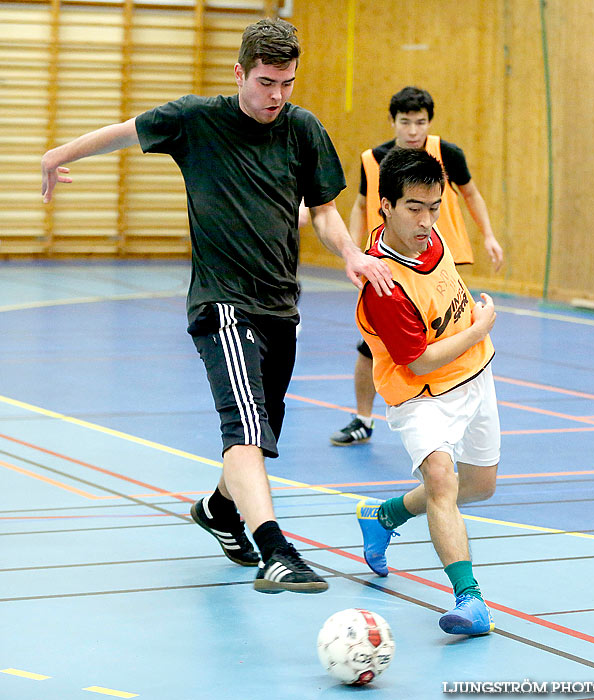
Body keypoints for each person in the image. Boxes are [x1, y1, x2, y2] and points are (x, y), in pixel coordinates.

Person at [41, 18, 393, 595]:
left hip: (280, 305)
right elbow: (124, 131)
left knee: (264, 432)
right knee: (245, 432)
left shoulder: (301, 129)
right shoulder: (196, 120)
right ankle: (275, 551)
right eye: (264, 82)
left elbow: (324, 212)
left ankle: (217, 510)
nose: (276, 96)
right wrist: (57, 154)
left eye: (287, 82)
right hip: (221, 303)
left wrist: (351, 254)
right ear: (239, 73)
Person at [354, 147, 499, 635]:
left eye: (434, 208)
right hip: (420, 394)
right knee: (441, 480)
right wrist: (479, 329)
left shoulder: (431, 237)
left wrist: (472, 335)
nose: (426, 220)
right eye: (413, 208)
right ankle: (470, 600)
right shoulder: (383, 286)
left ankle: (384, 516)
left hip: (474, 376)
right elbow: (418, 360)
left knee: (477, 487)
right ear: (386, 207)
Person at [330, 86, 503, 446]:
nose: (412, 130)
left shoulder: (446, 155)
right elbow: (361, 205)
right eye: (405, 122)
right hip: (396, 267)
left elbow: (471, 194)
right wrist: (353, 251)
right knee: (376, 348)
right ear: (392, 122)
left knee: (447, 333)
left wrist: (488, 235)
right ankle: (364, 418)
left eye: (420, 122)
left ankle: (450, 407)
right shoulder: (375, 160)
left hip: (440, 262)